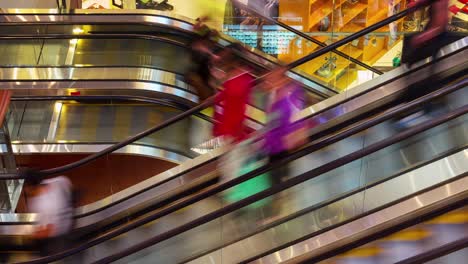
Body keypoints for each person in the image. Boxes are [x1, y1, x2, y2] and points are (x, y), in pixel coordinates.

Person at [22, 169, 74, 257]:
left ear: (29, 187)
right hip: (67, 222)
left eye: (24, 186)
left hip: (59, 237)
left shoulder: (43, 206)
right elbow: (67, 183)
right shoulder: (56, 181)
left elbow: (49, 231)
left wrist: (30, 236)